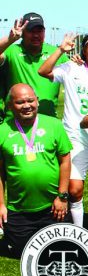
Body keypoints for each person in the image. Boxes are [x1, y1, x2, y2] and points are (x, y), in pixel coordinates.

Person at [38, 32, 88, 230]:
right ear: (84, 50)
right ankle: (79, 232)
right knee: (75, 190)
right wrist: (61, 50)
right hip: (76, 139)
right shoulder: (71, 67)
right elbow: (43, 71)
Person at [0, 84, 72, 257]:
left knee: (62, 249)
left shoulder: (54, 125)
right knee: (23, 253)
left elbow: (65, 160)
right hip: (19, 210)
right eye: (20, 102)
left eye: (30, 100)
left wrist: (62, 197)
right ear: (10, 105)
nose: (26, 105)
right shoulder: (2, 131)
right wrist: (1, 205)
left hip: (52, 207)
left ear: (37, 102)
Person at [0, 13, 68, 117]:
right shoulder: (12, 51)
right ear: (22, 32)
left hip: (48, 121)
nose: (36, 35)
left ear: (44, 32)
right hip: (15, 123)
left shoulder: (56, 53)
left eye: (39, 31)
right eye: (31, 31)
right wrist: (10, 39)